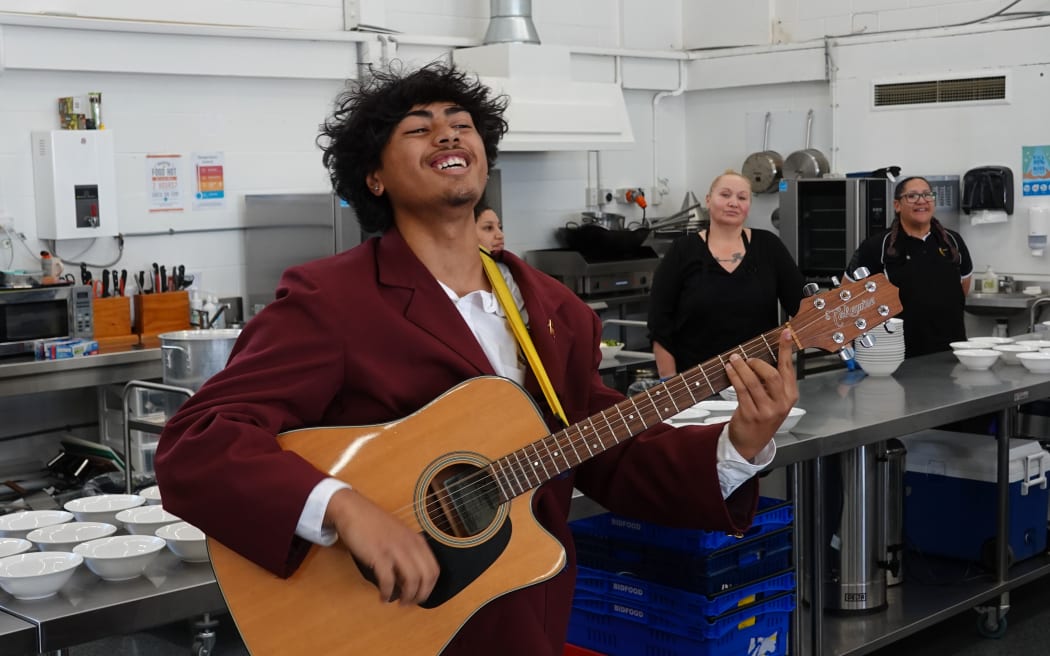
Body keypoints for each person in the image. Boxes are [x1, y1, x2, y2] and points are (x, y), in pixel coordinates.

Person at [154, 63, 797, 656]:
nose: (446, 134)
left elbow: (601, 448)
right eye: (418, 128)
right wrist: (344, 510)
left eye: (462, 125)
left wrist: (738, 445)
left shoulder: (548, 308)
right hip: (386, 620)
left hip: (522, 617)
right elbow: (198, 444)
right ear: (373, 177)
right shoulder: (333, 300)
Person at [647, 170, 804, 379]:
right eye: (725, 195)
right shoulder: (682, 251)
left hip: (759, 380)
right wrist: (669, 380)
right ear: (708, 200)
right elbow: (659, 323)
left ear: (748, 205)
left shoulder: (768, 246)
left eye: (741, 197)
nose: (733, 203)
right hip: (694, 384)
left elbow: (802, 306)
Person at [846, 176, 973, 358]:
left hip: (951, 349)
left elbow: (964, 286)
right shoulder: (876, 246)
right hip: (897, 353)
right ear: (897, 205)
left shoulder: (953, 241)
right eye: (912, 196)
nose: (921, 201)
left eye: (927, 195)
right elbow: (848, 295)